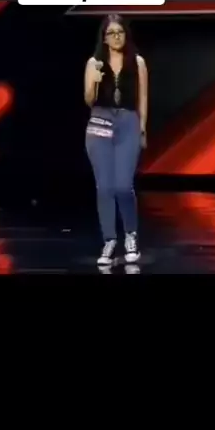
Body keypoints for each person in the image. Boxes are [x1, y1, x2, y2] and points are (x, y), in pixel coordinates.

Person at [84, 14, 148, 266]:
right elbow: (88, 100)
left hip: (128, 124)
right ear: (104, 38)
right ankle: (109, 240)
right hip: (99, 123)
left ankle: (130, 235)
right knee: (104, 187)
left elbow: (143, 98)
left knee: (123, 185)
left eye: (119, 32)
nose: (116, 37)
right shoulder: (94, 63)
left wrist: (142, 129)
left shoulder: (137, 62)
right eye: (111, 33)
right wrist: (94, 84)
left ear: (125, 35)